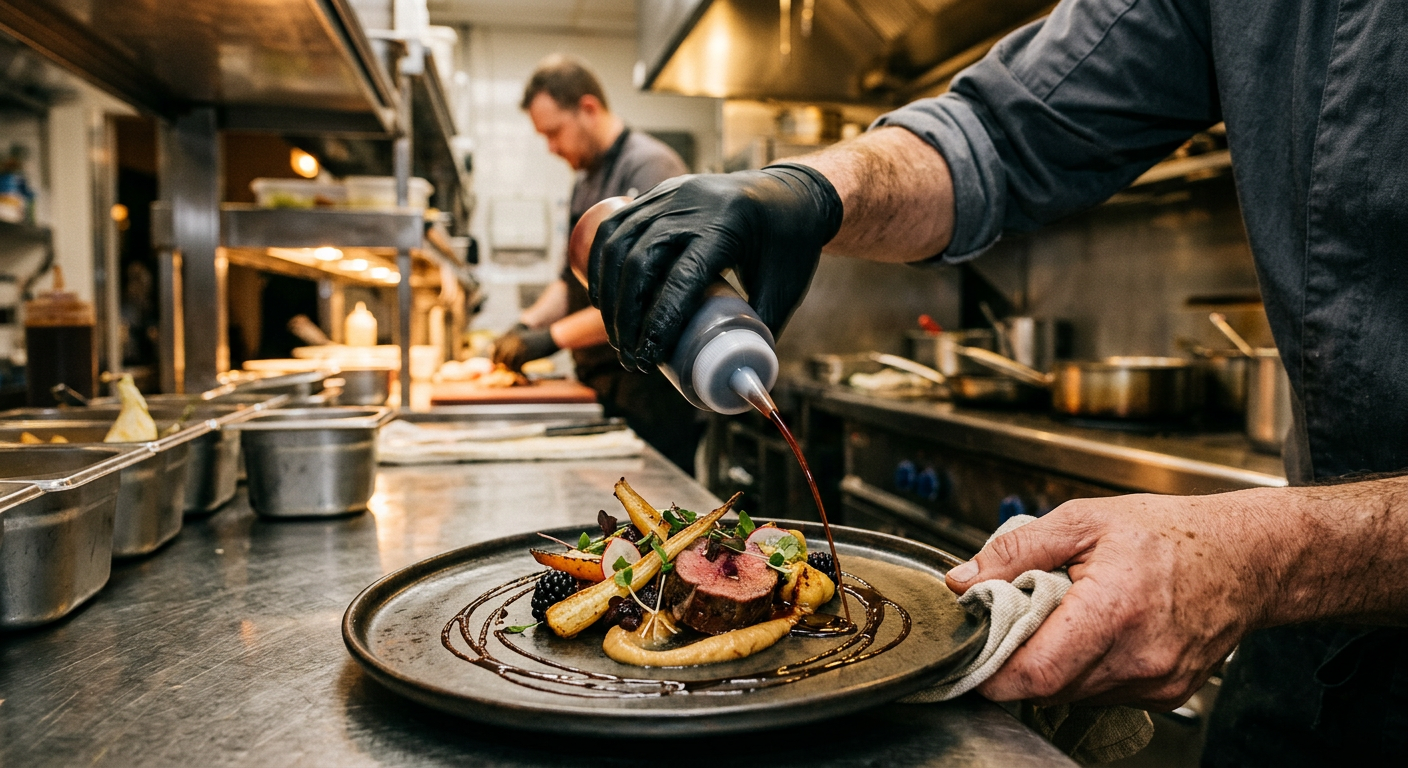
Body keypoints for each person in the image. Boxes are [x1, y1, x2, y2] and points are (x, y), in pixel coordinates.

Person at [584, 0, 1408, 764]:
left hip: (1308, 587)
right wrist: (813, 189)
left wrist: (1268, 555)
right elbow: (996, 131)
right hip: (1307, 666)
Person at [493, 55, 701, 473]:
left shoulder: (649, 168)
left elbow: (648, 297)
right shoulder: (586, 180)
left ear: (588, 108)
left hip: (649, 393)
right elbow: (569, 282)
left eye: (554, 132)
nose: (551, 148)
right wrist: (526, 325)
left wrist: (552, 338)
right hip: (605, 385)